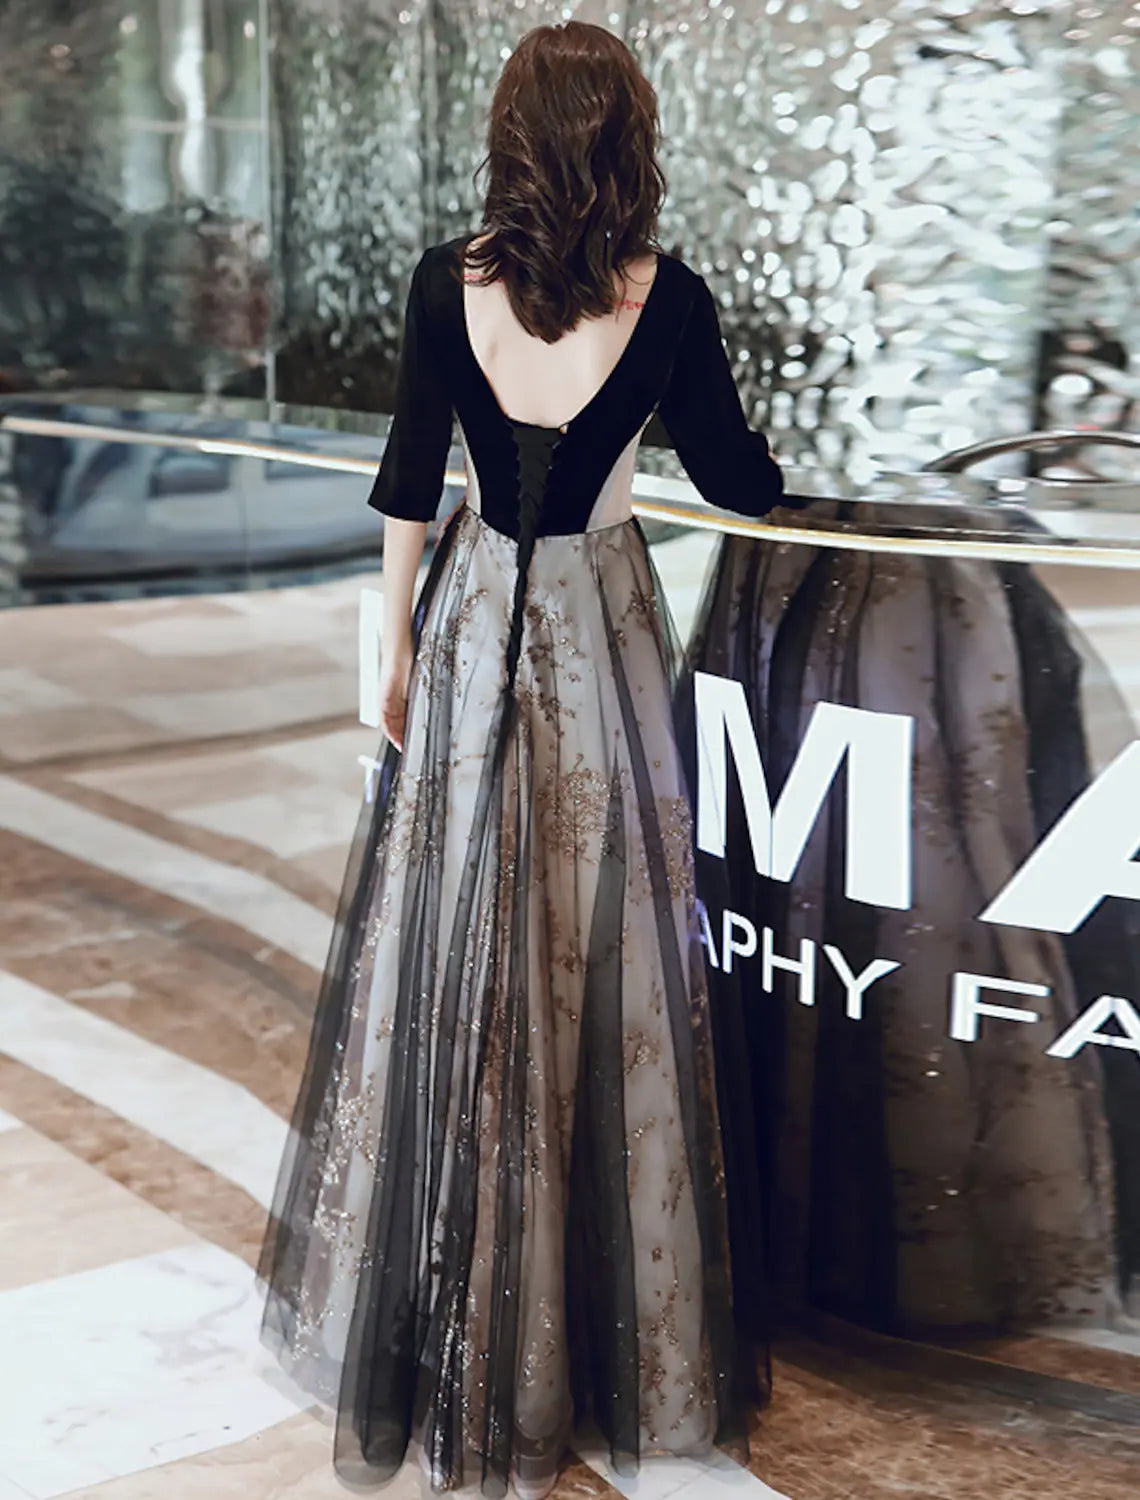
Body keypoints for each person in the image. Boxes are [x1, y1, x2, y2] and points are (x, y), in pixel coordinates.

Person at [258, 20, 788, 1499]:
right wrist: (810, 488)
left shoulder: (451, 282)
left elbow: (407, 482)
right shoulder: (668, 300)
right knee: (600, 956)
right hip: (599, 631)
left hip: (474, 617)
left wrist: (392, 650)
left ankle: (451, 1317)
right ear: (629, 142)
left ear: (512, 142)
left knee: (456, 948)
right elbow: (738, 476)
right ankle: (593, 1327)